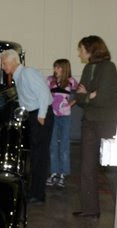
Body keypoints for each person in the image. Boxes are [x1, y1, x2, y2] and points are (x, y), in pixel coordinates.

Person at [72, 35, 117, 218]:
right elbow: (79, 96)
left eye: (81, 49)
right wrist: (89, 95)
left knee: (112, 168)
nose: (79, 53)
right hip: (89, 121)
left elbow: (104, 98)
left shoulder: (109, 68)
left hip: (106, 121)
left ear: (91, 50)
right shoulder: (87, 68)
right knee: (87, 167)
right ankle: (90, 210)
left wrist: (89, 95)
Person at [0, 49, 54, 204]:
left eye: (4, 63)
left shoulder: (27, 73)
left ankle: (38, 194)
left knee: (40, 156)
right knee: (36, 155)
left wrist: (42, 115)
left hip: (40, 115)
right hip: (34, 114)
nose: (3, 67)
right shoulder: (19, 76)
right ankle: (34, 192)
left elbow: (44, 93)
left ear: (12, 61)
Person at [46, 59, 78, 188]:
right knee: (52, 144)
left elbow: (80, 93)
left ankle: (63, 175)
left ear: (64, 69)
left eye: (58, 68)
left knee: (64, 145)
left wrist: (70, 104)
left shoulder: (71, 81)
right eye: (55, 67)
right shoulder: (49, 80)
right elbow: (43, 94)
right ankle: (54, 173)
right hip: (52, 115)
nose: (55, 70)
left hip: (65, 116)